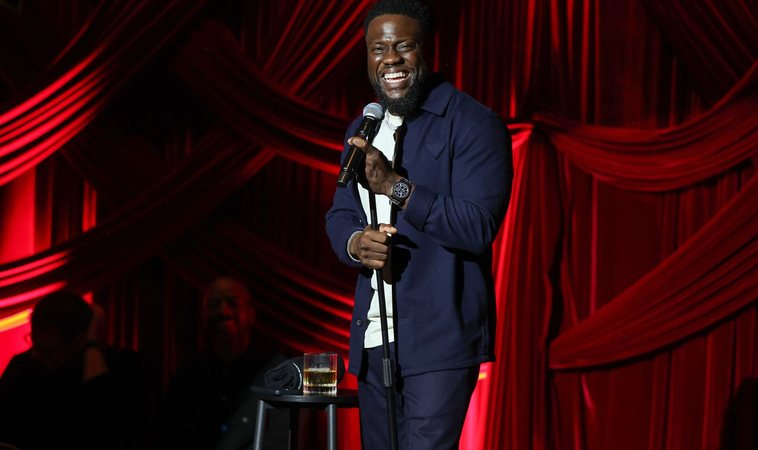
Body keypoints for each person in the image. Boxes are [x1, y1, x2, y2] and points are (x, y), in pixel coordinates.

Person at [325, 1, 513, 448]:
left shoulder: (473, 124)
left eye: (403, 46)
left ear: (427, 50)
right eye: (378, 48)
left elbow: (478, 225)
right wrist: (355, 243)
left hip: (439, 339)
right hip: (373, 337)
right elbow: (340, 212)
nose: (390, 58)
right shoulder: (364, 127)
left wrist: (397, 188)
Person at [0, 290, 147, 450]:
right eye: (35, 345)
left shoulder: (122, 368)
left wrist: (93, 352)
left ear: (78, 341)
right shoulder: (22, 368)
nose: (37, 355)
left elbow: (108, 429)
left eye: (50, 350)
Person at [158, 276, 289, 450]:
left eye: (232, 303)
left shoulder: (274, 373)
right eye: (214, 305)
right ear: (204, 316)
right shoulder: (187, 375)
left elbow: (279, 440)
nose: (223, 312)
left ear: (251, 315)